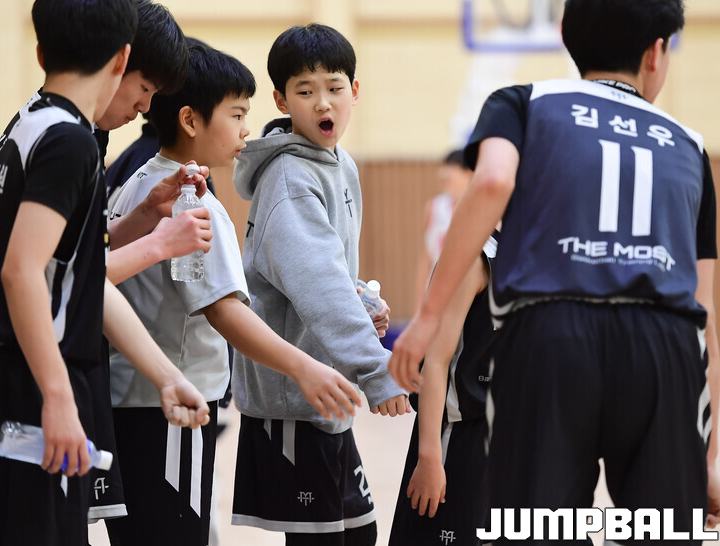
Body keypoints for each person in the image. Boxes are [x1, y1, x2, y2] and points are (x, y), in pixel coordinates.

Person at [390, 0, 720, 538]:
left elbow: (492, 181)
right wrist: (709, 458)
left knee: (542, 528)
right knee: (662, 531)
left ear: (564, 33)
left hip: (554, 338)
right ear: (657, 53)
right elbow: (705, 316)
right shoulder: (690, 145)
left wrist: (426, 318)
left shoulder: (523, 101)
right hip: (663, 350)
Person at [0, 2, 210, 545]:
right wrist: (57, 395)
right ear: (121, 58)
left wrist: (166, 376)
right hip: (22, 383)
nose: (144, 106)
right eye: (144, 89)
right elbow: (22, 272)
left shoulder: (31, 120)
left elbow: (81, 278)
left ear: (40, 52)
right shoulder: (71, 141)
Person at [104, 38, 362, 546]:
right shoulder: (190, 199)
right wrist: (303, 367)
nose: (247, 129)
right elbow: (223, 311)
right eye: (237, 114)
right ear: (190, 120)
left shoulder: (139, 183)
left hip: (132, 403)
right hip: (172, 409)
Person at [230, 23, 409, 546]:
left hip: (326, 398)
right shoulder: (289, 177)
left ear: (355, 91)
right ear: (281, 100)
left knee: (360, 534)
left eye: (334, 87)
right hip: (293, 402)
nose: (323, 103)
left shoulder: (338, 164)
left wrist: (362, 303)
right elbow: (317, 284)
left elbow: (329, 275)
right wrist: (377, 371)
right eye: (305, 92)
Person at [389, 233, 497, 546]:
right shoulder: (473, 258)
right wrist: (429, 459)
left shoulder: (532, 257)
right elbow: (435, 362)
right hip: (456, 439)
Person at [413, 150, 472, 309]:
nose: (446, 183)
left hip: (468, 293)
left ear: (469, 174)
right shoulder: (435, 207)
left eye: (450, 180)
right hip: (436, 291)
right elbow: (427, 257)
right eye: (444, 181)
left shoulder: (480, 208)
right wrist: (419, 305)